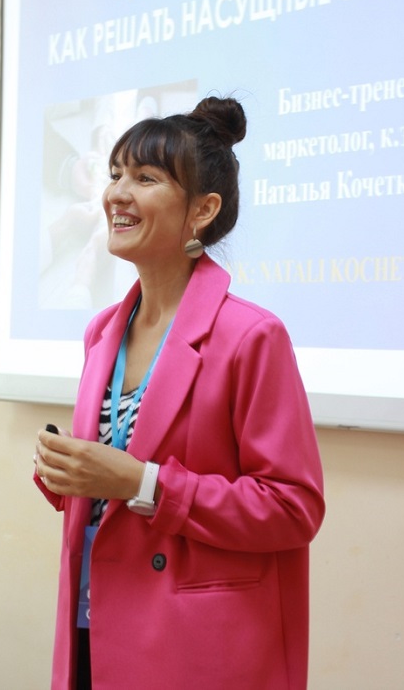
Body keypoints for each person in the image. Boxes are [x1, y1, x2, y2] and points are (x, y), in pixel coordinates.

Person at [33, 95, 325, 690]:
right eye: (115, 174)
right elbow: (113, 487)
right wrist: (69, 475)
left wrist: (144, 483)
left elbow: (293, 508)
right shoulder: (102, 332)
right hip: (97, 620)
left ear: (203, 210)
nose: (117, 194)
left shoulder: (251, 335)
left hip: (193, 646)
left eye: (145, 178)